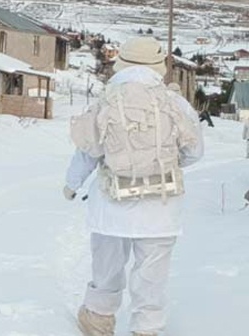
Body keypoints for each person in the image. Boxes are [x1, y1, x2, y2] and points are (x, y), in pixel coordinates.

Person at [63, 36, 203, 336]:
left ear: (121, 63)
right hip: (162, 207)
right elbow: (194, 152)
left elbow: (89, 150)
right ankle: (146, 328)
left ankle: (99, 318)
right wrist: (163, 164)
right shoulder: (174, 102)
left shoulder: (107, 98)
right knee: (151, 274)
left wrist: (72, 183)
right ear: (159, 64)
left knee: (107, 265)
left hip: (111, 204)